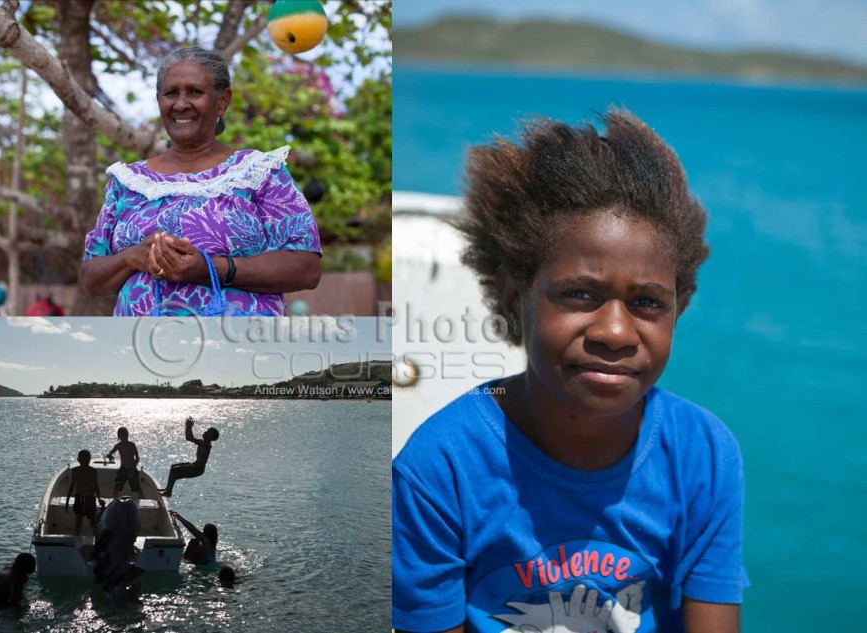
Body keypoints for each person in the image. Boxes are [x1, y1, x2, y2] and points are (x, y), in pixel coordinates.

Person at [392, 111, 748, 633]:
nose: (615, 332)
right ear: (517, 298)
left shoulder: (703, 454)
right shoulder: (439, 469)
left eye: (648, 302)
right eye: (580, 294)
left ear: (680, 308)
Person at [80, 46, 322, 316]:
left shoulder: (260, 173)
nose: (181, 104)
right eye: (171, 93)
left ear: (222, 101)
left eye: (194, 92)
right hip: (140, 349)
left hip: (239, 348)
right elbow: (91, 278)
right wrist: (131, 257)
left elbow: (306, 268)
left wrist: (210, 268)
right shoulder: (127, 182)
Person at [158, 416, 219, 497]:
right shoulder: (202, 442)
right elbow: (189, 438)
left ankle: (168, 492)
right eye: (206, 430)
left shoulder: (206, 444)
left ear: (210, 437)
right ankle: (167, 489)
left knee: (175, 471)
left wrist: (188, 426)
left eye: (207, 432)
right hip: (195, 466)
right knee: (173, 467)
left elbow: (190, 438)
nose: (205, 432)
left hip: (197, 469)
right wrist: (188, 427)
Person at [65, 449, 104, 539]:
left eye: (86, 461)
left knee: (92, 522)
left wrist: (99, 498)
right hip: (79, 498)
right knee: (78, 521)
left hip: (89, 498)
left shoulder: (93, 471)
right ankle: (76, 539)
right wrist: (67, 502)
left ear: (90, 460)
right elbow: (71, 486)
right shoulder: (75, 471)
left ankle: (97, 540)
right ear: (78, 460)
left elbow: (96, 486)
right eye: (83, 461)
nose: (85, 463)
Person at [106, 426, 143, 500]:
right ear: (119, 436)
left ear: (127, 435)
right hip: (123, 469)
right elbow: (110, 453)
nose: (124, 437)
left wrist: (132, 470)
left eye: (125, 434)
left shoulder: (132, 445)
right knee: (117, 486)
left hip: (132, 469)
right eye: (122, 435)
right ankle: (114, 502)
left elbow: (137, 458)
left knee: (137, 489)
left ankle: (144, 501)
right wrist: (109, 456)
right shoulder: (119, 445)